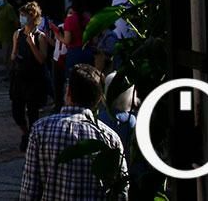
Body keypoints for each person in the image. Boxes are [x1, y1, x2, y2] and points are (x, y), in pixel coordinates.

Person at [19, 64, 127, 200]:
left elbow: (30, 190)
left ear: (68, 92)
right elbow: (121, 193)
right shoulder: (109, 138)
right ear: (99, 99)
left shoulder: (41, 129)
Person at [10, 1, 51, 152]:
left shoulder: (40, 37)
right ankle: (25, 133)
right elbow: (13, 53)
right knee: (17, 112)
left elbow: (42, 59)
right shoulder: (17, 33)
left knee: (33, 111)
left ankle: (32, 140)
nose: (22, 18)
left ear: (32, 17)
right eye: (21, 15)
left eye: (24, 15)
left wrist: (32, 44)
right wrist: (14, 57)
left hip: (34, 78)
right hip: (19, 76)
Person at [0, 0, 19, 75]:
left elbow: (15, 21)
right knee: (6, 58)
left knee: (8, 58)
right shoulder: (1, 9)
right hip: (3, 38)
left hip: (9, 38)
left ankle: (11, 75)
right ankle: (9, 74)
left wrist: (15, 35)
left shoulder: (8, 8)